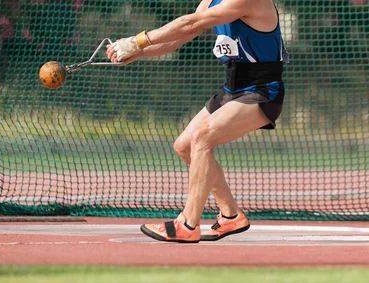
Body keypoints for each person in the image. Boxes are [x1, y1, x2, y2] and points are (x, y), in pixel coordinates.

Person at [106, 0, 289, 243]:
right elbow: (185, 33)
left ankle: (187, 224)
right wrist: (138, 53)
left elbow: (191, 21)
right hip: (232, 89)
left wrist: (136, 41)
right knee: (184, 146)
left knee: (202, 138)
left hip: (263, 89)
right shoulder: (211, 0)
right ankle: (230, 215)